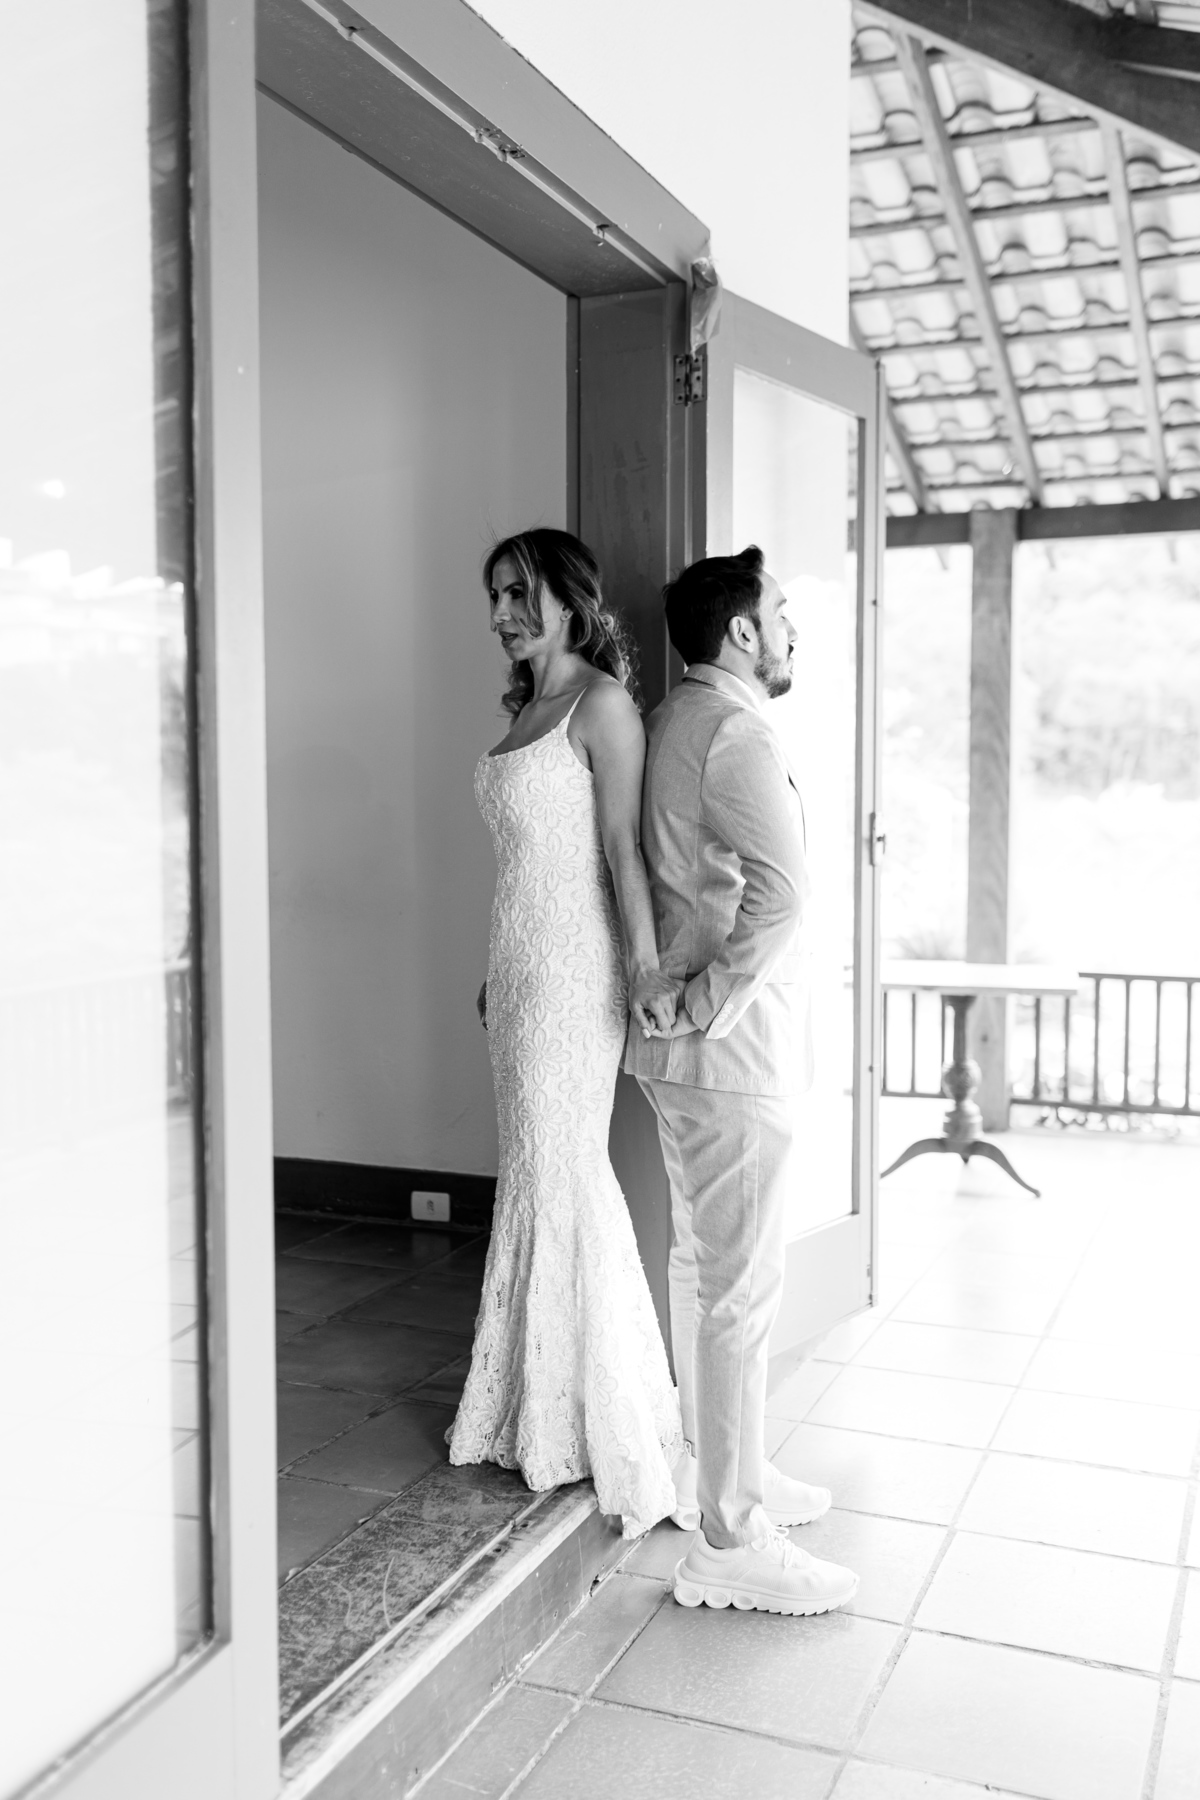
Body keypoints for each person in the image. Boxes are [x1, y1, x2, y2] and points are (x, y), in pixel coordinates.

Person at [625, 544, 859, 1615]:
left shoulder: (675, 718)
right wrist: (711, 1003)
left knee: (701, 1271)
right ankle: (731, 1536)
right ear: (743, 632)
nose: (792, 630)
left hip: (684, 1055)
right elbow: (784, 893)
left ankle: (716, 1471)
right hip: (729, 1051)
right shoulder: (734, 733)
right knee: (739, 1292)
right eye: (780, 613)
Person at [448, 527, 684, 1538]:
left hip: (577, 974)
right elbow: (524, 863)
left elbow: (622, 854)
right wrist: (496, 968)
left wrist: (646, 971)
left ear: (569, 598)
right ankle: (525, 1400)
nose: (503, 614)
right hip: (518, 970)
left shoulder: (602, 705)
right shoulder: (524, 709)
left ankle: (597, 1417)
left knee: (565, 1176)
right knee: (533, 1176)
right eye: (495, 596)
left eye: (520, 594)